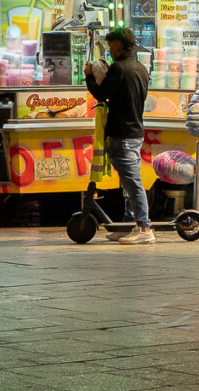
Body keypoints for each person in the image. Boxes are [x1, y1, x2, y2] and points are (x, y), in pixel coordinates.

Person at [84, 26, 153, 245]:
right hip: (135, 131)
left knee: (132, 184)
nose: (110, 50)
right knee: (128, 183)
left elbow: (101, 94)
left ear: (118, 45)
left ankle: (144, 228)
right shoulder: (141, 68)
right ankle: (128, 224)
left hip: (122, 134)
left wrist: (90, 77)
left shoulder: (119, 69)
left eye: (111, 45)